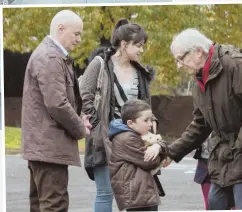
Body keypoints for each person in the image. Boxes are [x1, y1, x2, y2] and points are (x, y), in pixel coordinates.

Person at [162, 28, 242, 210]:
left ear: (198, 51)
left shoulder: (235, 64)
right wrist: (171, 152)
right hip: (224, 159)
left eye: (181, 58)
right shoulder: (198, 79)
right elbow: (200, 125)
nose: (178, 65)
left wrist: (237, 148)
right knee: (215, 204)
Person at [79, 18, 158, 212]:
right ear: (124, 45)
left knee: (135, 194)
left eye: (142, 46)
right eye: (138, 45)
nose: (141, 50)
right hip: (105, 139)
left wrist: (152, 129)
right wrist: (99, 128)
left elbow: (145, 106)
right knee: (105, 193)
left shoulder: (140, 72)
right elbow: (85, 98)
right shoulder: (99, 65)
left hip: (133, 140)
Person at [21, 10, 92, 212]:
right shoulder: (51, 56)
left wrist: (79, 119)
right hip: (48, 149)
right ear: (61, 29)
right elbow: (57, 104)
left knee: (41, 205)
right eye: (76, 33)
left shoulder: (48, 55)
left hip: (43, 148)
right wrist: (80, 127)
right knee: (54, 206)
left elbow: (54, 102)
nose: (79, 39)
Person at [108, 99, 167, 211]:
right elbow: (151, 162)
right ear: (131, 123)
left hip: (140, 194)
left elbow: (162, 144)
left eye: (151, 119)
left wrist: (158, 146)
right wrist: (159, 149)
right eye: (146, 120)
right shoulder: (127, 138)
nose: (151, 123)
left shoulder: (135, 133)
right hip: (137, 195)